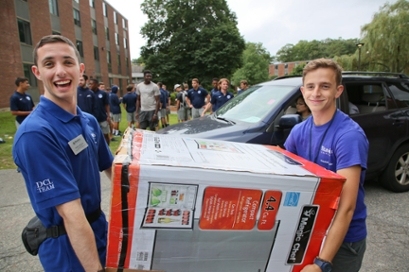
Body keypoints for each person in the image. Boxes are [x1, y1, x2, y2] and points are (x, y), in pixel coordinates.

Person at [12, 34, 113, 272]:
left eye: (67, 62)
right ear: (37, 72)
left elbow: (112, 169)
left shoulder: (87, 121)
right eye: (49, 64)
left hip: (99, 232)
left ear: (80, 69)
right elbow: (70, 214)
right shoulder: (36, 134)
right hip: (69, 249)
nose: (60, 71)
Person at [284, 58, 368, 272]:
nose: (316, 93)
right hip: (308, 231)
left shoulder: (349, 136)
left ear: (338, 91)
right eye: (311, 87)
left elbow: (347, 207)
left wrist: (322, 263)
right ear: (303, 91)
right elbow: (285, 179)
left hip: (343, 242)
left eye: (325, 86)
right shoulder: (298, 131)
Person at [89, 78, 111, 145]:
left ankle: (107, 149)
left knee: (105, 135)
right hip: (93, 119)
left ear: (96, 84)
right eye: (89, 84)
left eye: (91, 84)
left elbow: (106, 105)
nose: (90, 85)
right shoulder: (88, 93)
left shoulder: (103, 93)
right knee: (94, 136)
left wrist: (108, 116)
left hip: (102, 117)